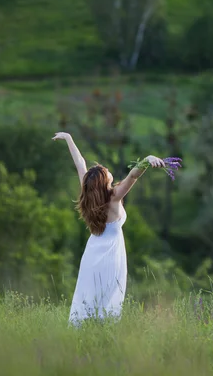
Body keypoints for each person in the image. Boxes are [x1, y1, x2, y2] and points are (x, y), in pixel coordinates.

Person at [52, 132, 165, 326]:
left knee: (88, 296)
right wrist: (147, 160)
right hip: (111, 256)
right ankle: (102, 335)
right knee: (108, 299)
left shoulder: (88, 195)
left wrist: (69, 138)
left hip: (92, 255)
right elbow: (133, 175)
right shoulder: (113, 197)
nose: (105, 169)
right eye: (105, 172)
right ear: (104, 183)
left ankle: (83, 333)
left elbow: (80, 163)